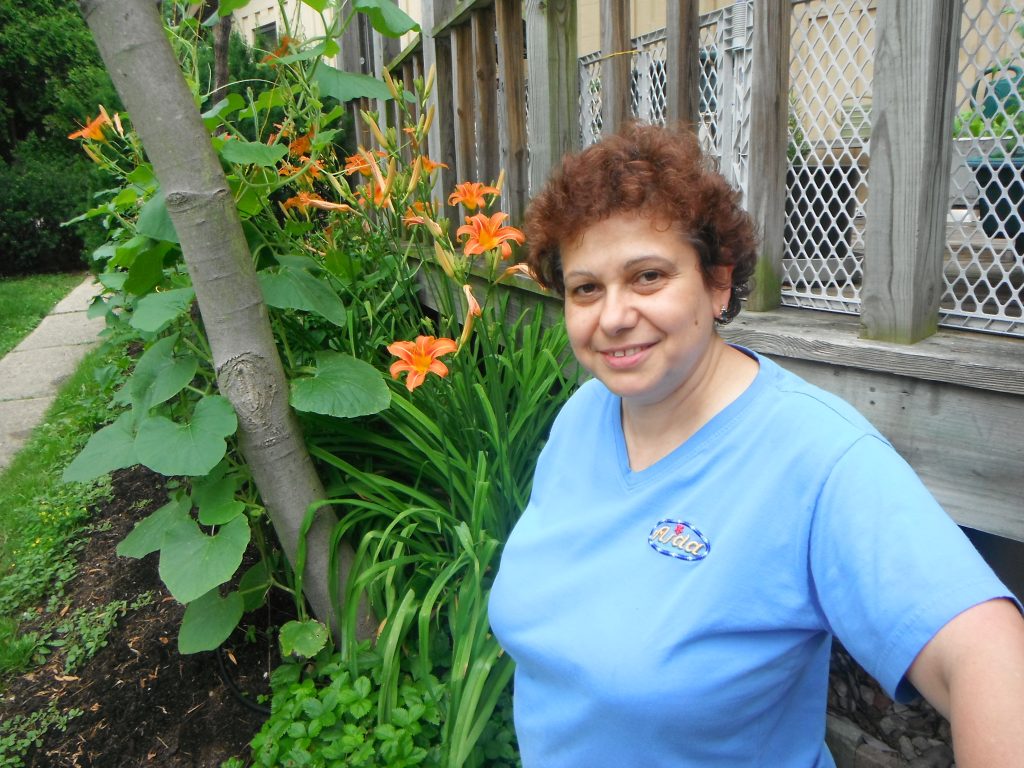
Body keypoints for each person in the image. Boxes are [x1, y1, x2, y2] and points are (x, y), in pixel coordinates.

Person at [487, 122, 1024, 767]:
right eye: (586, 288)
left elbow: (988, 655)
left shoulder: (815, 456)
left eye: (649, 276)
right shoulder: (585, 414)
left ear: (717, 283)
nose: (613, 316)